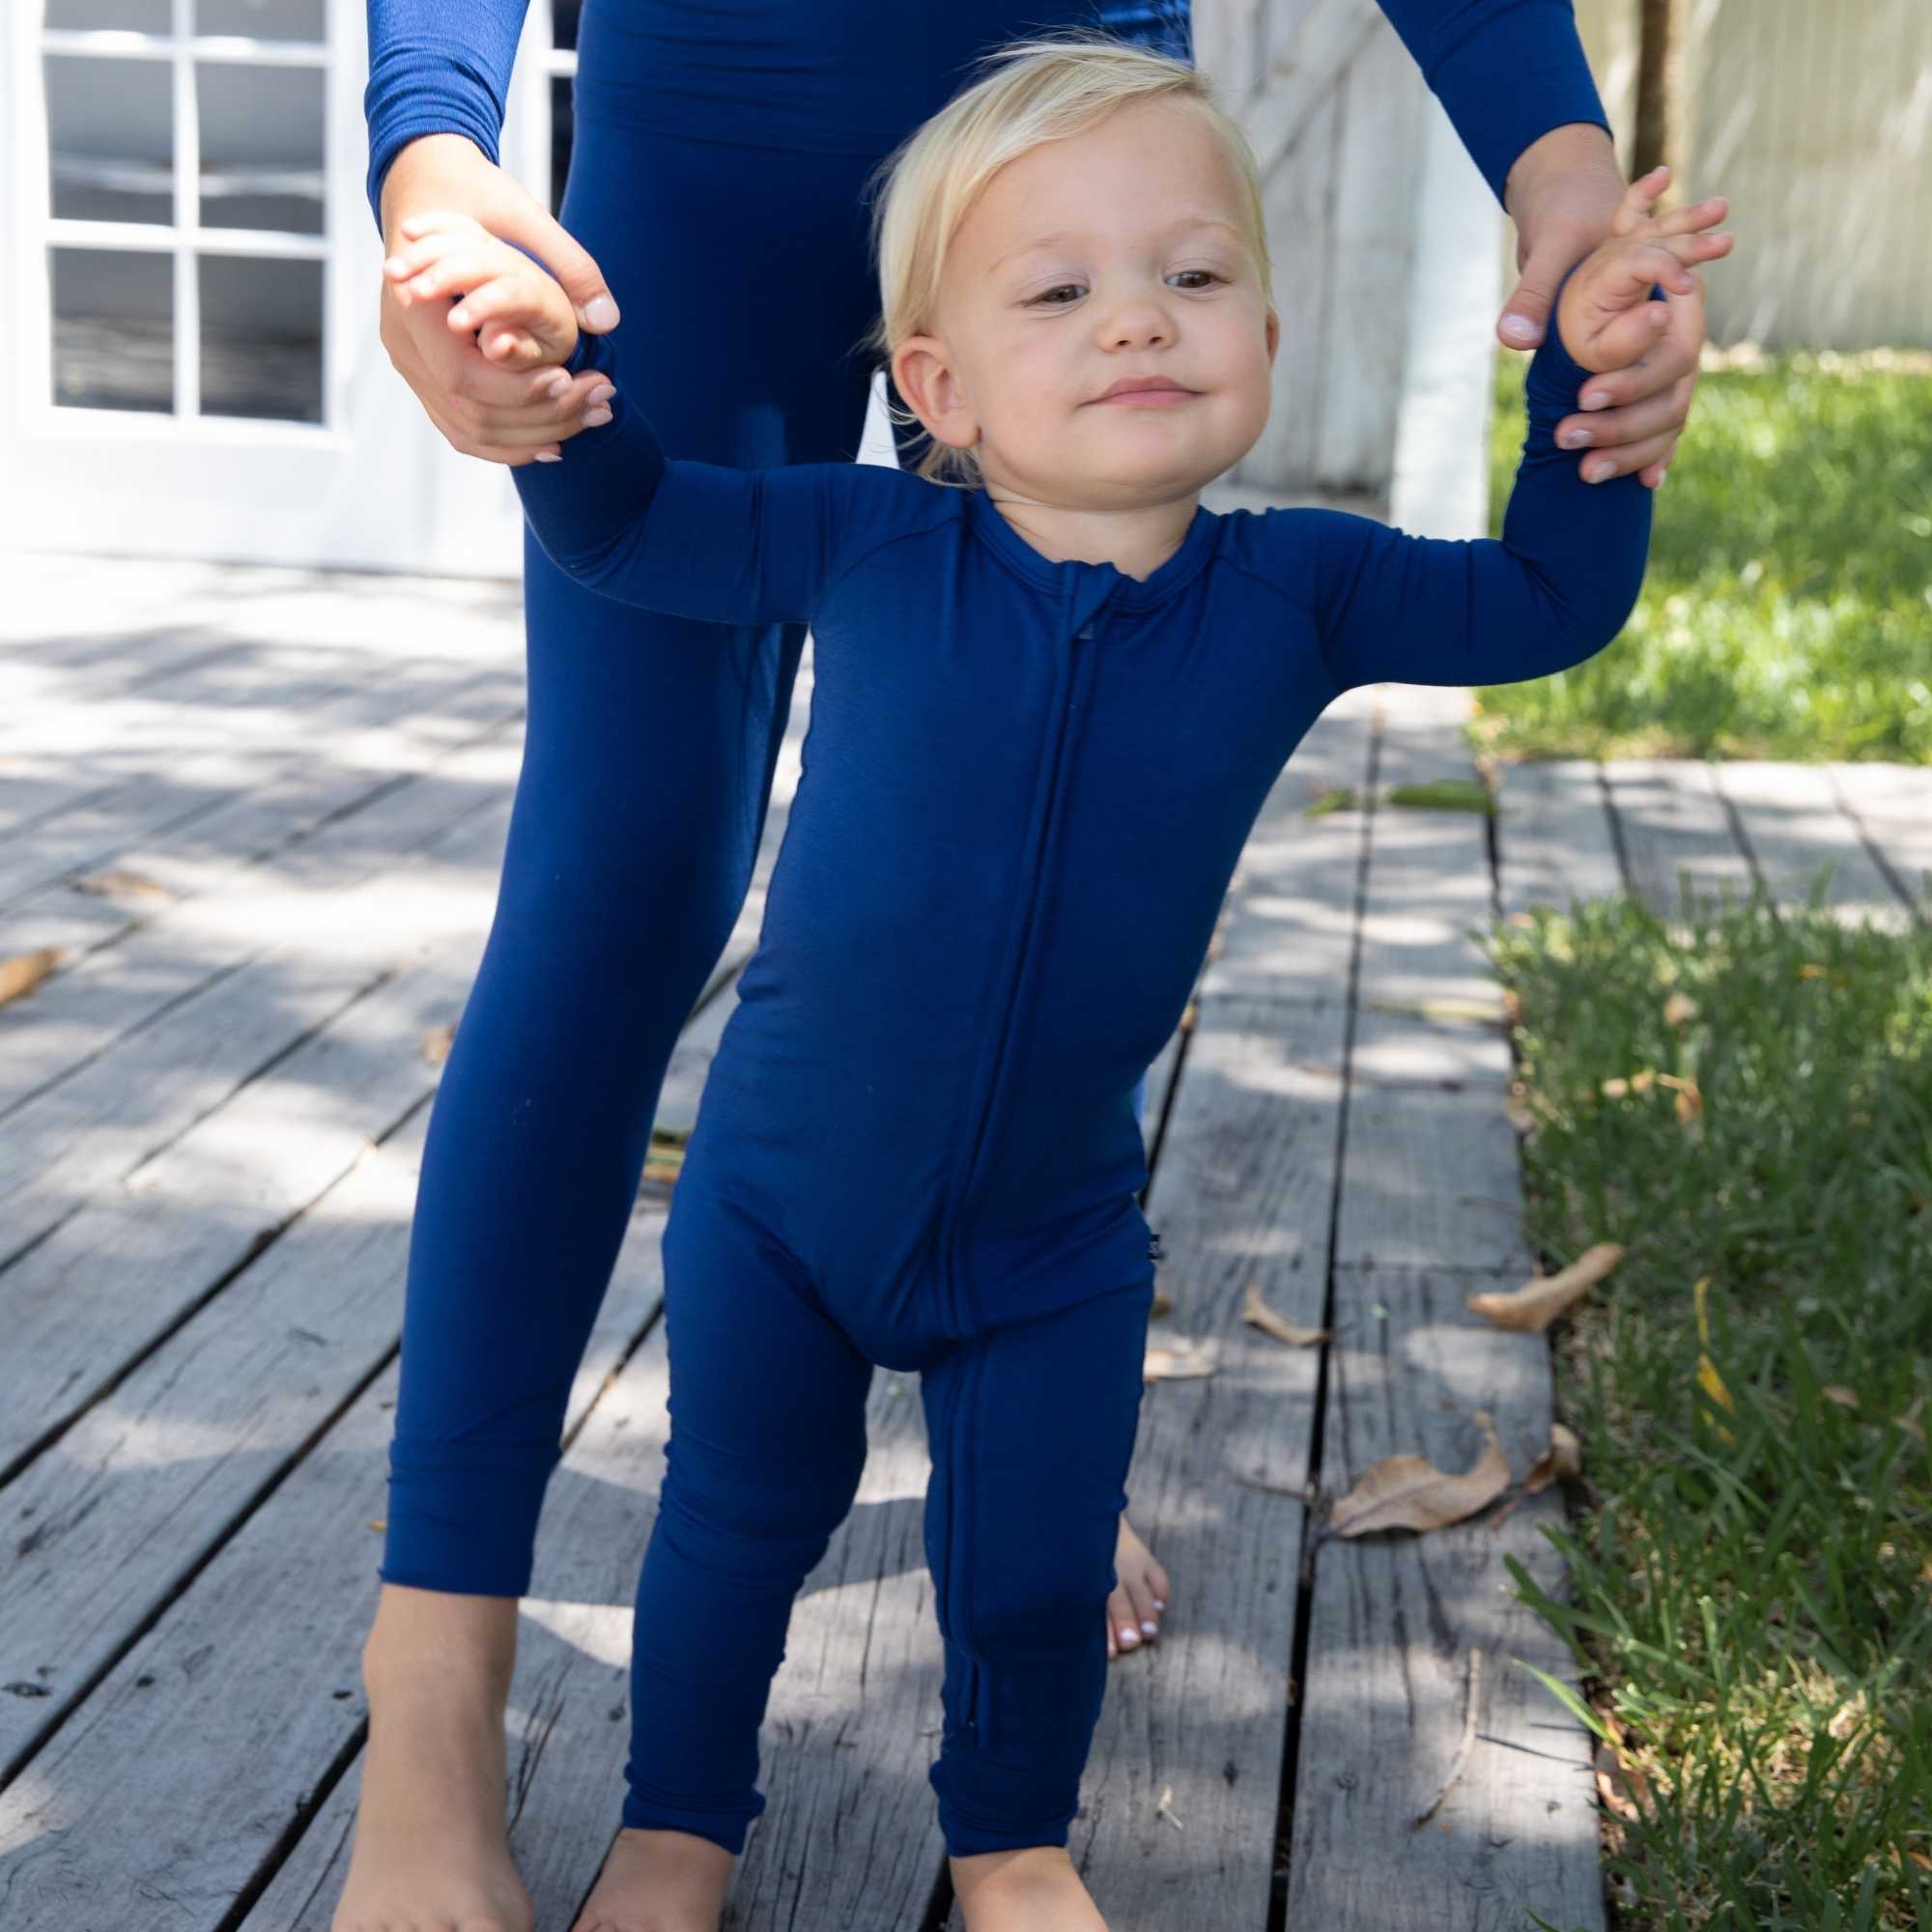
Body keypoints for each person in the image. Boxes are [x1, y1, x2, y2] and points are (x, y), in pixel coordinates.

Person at [339, 4, 1722, 1931]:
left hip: (1076, 72)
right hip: (712, 113)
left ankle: (1022, 1507)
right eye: (1115, 300)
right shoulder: (865, 492)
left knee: (1074, 798)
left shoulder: (1282, 577)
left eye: (1199, 294)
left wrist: (1566, 188)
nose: (1152, 324)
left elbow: (1544, 590)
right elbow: (625, 512)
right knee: (627, 869)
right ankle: (435, 1685)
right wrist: (437, 156)